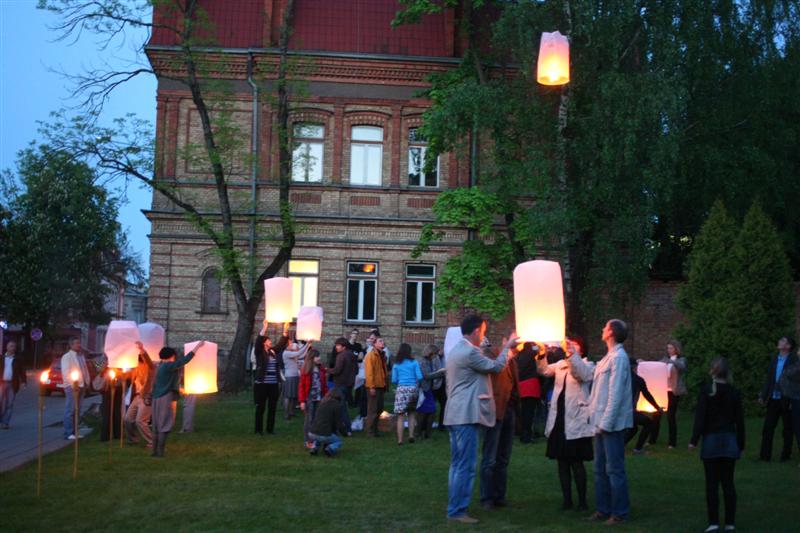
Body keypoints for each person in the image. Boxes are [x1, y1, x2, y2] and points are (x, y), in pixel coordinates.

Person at [444, 314, 517, 524]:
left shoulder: (458, 350)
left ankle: (455, 507)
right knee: (465, 467)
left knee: (457, 465)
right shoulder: (469, 352)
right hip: (465, 415)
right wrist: (508, 347)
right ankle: (457, 511)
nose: (484, 335)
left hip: (456, 414)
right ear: (476, 331)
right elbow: (495, 367)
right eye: (483, 331)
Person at [537, 338, 595, 511]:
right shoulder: (561, 364)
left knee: (576, 462)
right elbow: (544, 370)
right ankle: (567, 500)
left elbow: (582, 374)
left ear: (581, 350)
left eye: (574, 345)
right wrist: (541, 354)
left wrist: (571, 355)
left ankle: (582, 502)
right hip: (560, 420)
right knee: (562, 462)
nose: (569, 346)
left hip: (576, 420)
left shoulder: (588, 365)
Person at [585, 319, 633, 526]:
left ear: (611, 332)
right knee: (600, 469)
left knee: (614, 469)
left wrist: (606, 422)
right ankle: (603, 509)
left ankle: (620, 512)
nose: (602, 329)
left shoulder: (619, 358)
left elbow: (616, 394)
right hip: (600, 423)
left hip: (611, 424)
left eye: (605, 327)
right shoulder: (608, 357)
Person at [689, 357, 745, 533]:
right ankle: (730, 523)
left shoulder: (707, 391)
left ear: (712, 371)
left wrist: (693, 440)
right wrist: (741, 444)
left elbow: (700, 417)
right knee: (728, 483)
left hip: (711, 440)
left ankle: (713, 523)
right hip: (729, 440)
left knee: (711, 483)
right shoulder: (734, 392)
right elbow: (740, 421)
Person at [479, 335, 520, 510]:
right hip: (495, 411)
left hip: (509, 410)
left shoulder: (513, 360)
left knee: (503, 457)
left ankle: (499, 496)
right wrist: (507, 349)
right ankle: (486, 497)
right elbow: (495, 369)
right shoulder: (492, 354)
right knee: (490, 458)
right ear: (505, 340)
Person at [151, 341, 204, 457]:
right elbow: (184, 360)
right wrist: (197, 347)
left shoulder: (159, 366)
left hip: (156, 398)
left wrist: (180, 389)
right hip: (165, 398)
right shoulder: (168, 366)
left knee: (156, 426)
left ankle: (154, 452)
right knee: (163, 425)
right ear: (171, 356)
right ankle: (160, 452)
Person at [758, 336, 798, 462]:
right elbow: (769, 378)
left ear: (788, 346)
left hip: (787, 399)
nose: (779, 342)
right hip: (774, 399)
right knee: (768, 428)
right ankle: (764, 456)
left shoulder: (794, 360)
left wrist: (793, 400)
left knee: (787, 429)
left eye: (783, 341)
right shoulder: (775, 359)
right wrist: (764, 395)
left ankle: (785, 456)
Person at [253, 321, 289, 435]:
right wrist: (264, 327)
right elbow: (258, 341)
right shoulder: (259, 352)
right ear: (264, 343)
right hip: (262, 384)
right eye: (268, 340)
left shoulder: (272, 352)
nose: (271, 341)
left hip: (273, 384)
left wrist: (285, 331)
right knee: (261, 407)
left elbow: (281, 344)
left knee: (272, 407)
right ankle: (258, 430)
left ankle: (270, 429)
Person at [650, 340, 687, 448]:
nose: (669, 350)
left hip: (674, 391)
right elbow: (656, 366)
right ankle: (652, 440)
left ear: (676, 349)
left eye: (671, 348)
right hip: (662, 391)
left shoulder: (681, 360)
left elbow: (682, 367)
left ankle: (672, 443)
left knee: (671, 416)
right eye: (668, 348)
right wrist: (643, 362)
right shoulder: (665, 359)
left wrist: (670, 362)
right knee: (656, 414)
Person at [626, 358, 662, 454]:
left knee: (633, 428)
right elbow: (647, 395)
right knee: (649, 423)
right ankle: (638, 449)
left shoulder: (620, 379)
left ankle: (619, 446)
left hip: (619, 411)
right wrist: (657, 408)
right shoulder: (638, 380)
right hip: (630, 411)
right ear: (635, 367)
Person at [391, 343, 423, 445]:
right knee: (411, 413)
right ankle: (411, 436)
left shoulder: (396, 364)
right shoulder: (414, 362)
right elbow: (420, 377)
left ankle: (400, 440)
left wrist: (400, 382)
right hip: (413, 389)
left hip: (401, 389)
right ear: (409, 352)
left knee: (400, 416)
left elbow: (394, 380)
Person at [125, 342, 156, 446]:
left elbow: (148, 360)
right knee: (128, 419)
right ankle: (133, 439)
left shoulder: (151, 367)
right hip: (137, 397)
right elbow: (126, 375)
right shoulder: (135, 368)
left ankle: (153, 441)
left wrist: (142, 350)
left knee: (141, 421)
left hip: (147, 397)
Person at [61, 337, 91, 440]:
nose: (79, 345)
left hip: (82, 385)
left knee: (77, 410)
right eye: (77, 343)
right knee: (70, 410)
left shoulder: (81, 356)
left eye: (79, 343)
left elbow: (84, 370)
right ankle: (68, 433)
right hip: (72, 386)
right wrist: (73, 384)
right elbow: (66, 373)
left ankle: (74, 432)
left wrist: (87, 381)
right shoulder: (67, 357)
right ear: (71, 345)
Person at [327, 337, 357, 435]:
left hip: (340, 384)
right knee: (343, 407)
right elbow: (356, 370)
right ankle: (345, 428)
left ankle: (346, 429)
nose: (336, 347)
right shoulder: (352, 355)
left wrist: (327, 370)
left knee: (340, 408)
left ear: (343, 347)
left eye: (338, 345)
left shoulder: (341, 356)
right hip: (349, 384)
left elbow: (337, 370)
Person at [299, 348, 327, 448]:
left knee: (317, 419)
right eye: (317, 356)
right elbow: (301, 386)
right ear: (312, 358)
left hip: (319, 397)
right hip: (309, 398)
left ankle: (315, 439)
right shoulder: (306, 369)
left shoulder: (321, 369)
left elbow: (324, 385)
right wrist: (302, 401)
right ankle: (308, 441)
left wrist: (326, 396)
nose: (319, 358)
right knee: (309, 420)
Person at [308, 388, 348, 457]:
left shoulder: (322, 403)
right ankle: (330, 448)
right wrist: (344, 432)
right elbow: (338, 423)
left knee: (318, 436)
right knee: (338, 441)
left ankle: (314, 448)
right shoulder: (337, 406)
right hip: (324, 433)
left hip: (312, 432)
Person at [418, 344, 445, 439]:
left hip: (428, 388)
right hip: (424, 389)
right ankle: (421, 432)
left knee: (430, 410)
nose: (435, 356)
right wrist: (440, 373)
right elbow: (426, 376)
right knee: (424, 411)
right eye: (435, 354)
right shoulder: (423, 362)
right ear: (430, 353)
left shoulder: (428, 361)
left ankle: (425, 433)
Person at [363, 336, 388, 437]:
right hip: (374, 386)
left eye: (383, 341)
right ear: (374, 344)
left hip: (381, 385)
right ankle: (370, 431)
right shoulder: (371, 355)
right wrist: (371, 386)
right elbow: (369, 372)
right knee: (372, 410)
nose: (383, 342)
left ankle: (375, 430)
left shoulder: (382, 355)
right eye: (380, 341)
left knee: (379, 409)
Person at [282, 340, 311, 420]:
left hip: (295, 376)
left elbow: (302, 354)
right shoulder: (286, 353)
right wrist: (307, 344)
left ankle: (291, 412)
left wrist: (308, 345)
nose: (292, 346)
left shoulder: (292, 354)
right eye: (291, 345)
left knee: (293, 396)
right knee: (288, 396)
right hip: (289, 376)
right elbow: (299, 353)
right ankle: (286, 414)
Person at [0, 341, 26, 429]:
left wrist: (24, 381)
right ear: (7, 347)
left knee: (9, 403)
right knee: (1, 402)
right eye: (11, 346)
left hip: (12, 384)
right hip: (1, 383)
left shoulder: (18, 359)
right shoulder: (1, 358)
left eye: (14, 346)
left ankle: (5, 422)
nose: (13, 348)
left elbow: (22, 371)